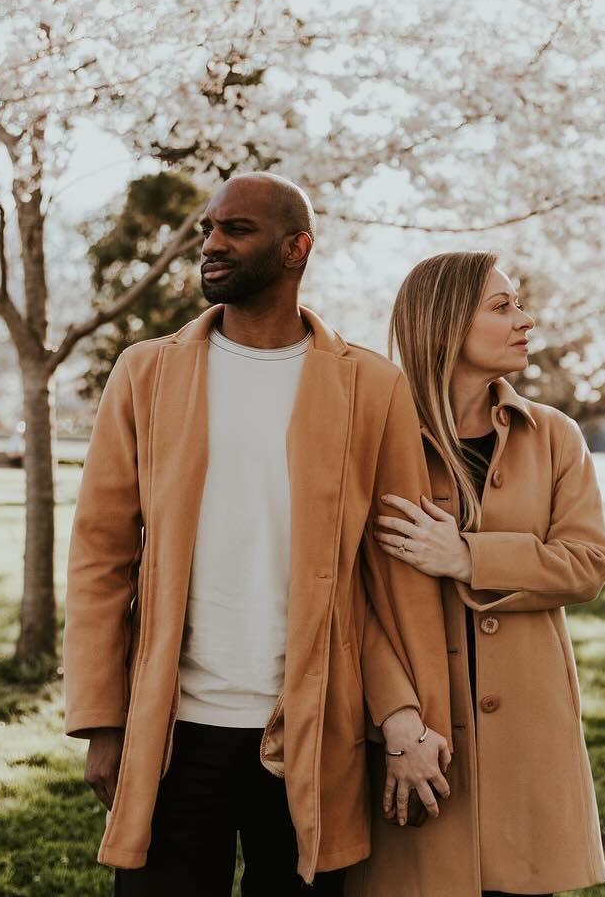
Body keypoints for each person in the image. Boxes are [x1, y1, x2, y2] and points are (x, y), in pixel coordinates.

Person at [63, 173, 452, 897]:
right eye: (208, 228)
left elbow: (394, 573)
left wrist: (413, 721)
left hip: (310, 729)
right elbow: (100, 556)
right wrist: (100, 721)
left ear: (296, 247)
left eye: (236, 230)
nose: (210, 243)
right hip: (174, 733)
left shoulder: (372, 386)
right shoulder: (145, 374)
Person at [346, 251, 605, 897]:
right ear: (446, 322)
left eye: (518, 303)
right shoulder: (373, 436)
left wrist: (469, 556)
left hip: (528, 742)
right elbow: (351, 599)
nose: (525, 319)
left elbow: (587, 563)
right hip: (414, 739)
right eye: (503, 306)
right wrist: (398, 719)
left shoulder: (554, 435)